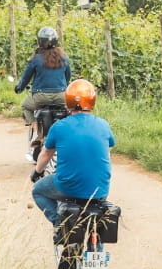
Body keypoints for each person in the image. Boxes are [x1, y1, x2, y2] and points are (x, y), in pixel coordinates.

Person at [30, 79, 115, 239]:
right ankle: (97, 251)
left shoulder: (59, 127)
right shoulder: (103, 125)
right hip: (100, 189)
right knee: (96, 223)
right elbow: (107, 150)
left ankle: (60, 225)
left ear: (67, 101)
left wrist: (36, 172)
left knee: (38, 191)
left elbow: (46, 154)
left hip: (67, 186)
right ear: (92, 101)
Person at [14, 26, 72, 161]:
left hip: (40, 97)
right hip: (61, 96)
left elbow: (25, 78)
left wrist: (19, 88)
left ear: (40, 41)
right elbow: (67, 77)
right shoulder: (64, 58)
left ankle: (37, 134)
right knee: (68, 113)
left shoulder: (36, 59)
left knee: (25, 106)